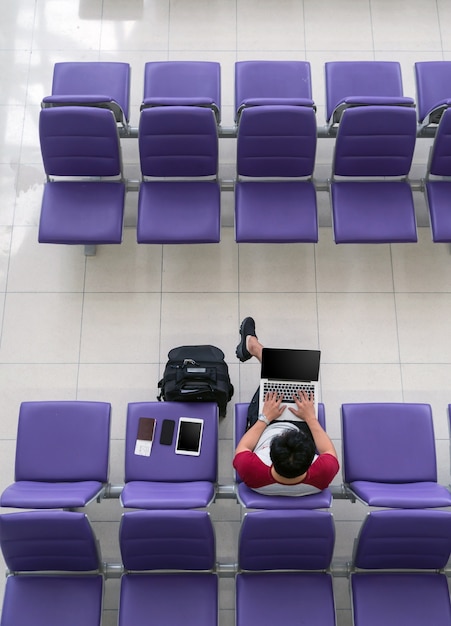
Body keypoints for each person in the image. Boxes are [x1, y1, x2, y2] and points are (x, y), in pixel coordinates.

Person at [233, 317, 339, 496]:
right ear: (311, 462)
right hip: (303, 425)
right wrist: (310, 418)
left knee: (278, 381)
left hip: (265, 425)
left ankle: (255, 349)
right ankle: (256, 349)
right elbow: (328, 451)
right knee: (297, 383)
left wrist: (265, 417)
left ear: (271, 457)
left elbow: (243, 447)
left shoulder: (252, 472)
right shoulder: (322, 476)